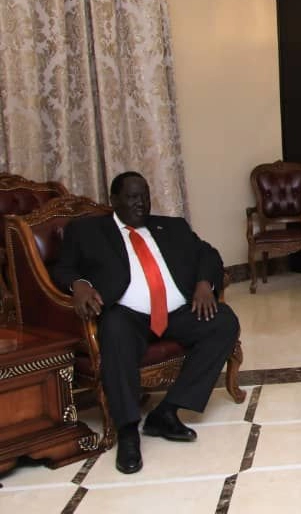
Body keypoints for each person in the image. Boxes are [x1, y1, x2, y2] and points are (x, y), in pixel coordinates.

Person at [50, 171, 240, 474]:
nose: (140, 203)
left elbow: (208, 254)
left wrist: (205, 283)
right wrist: (80, 284)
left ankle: (166, 412)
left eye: (145, 197)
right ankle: (127, 431)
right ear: (114, 200)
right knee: (113, 329)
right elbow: (63, 268)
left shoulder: (173, 227)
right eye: (132, 197)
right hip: (127, 314)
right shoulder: (87, 231)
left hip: (177, 311)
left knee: (224, 321)